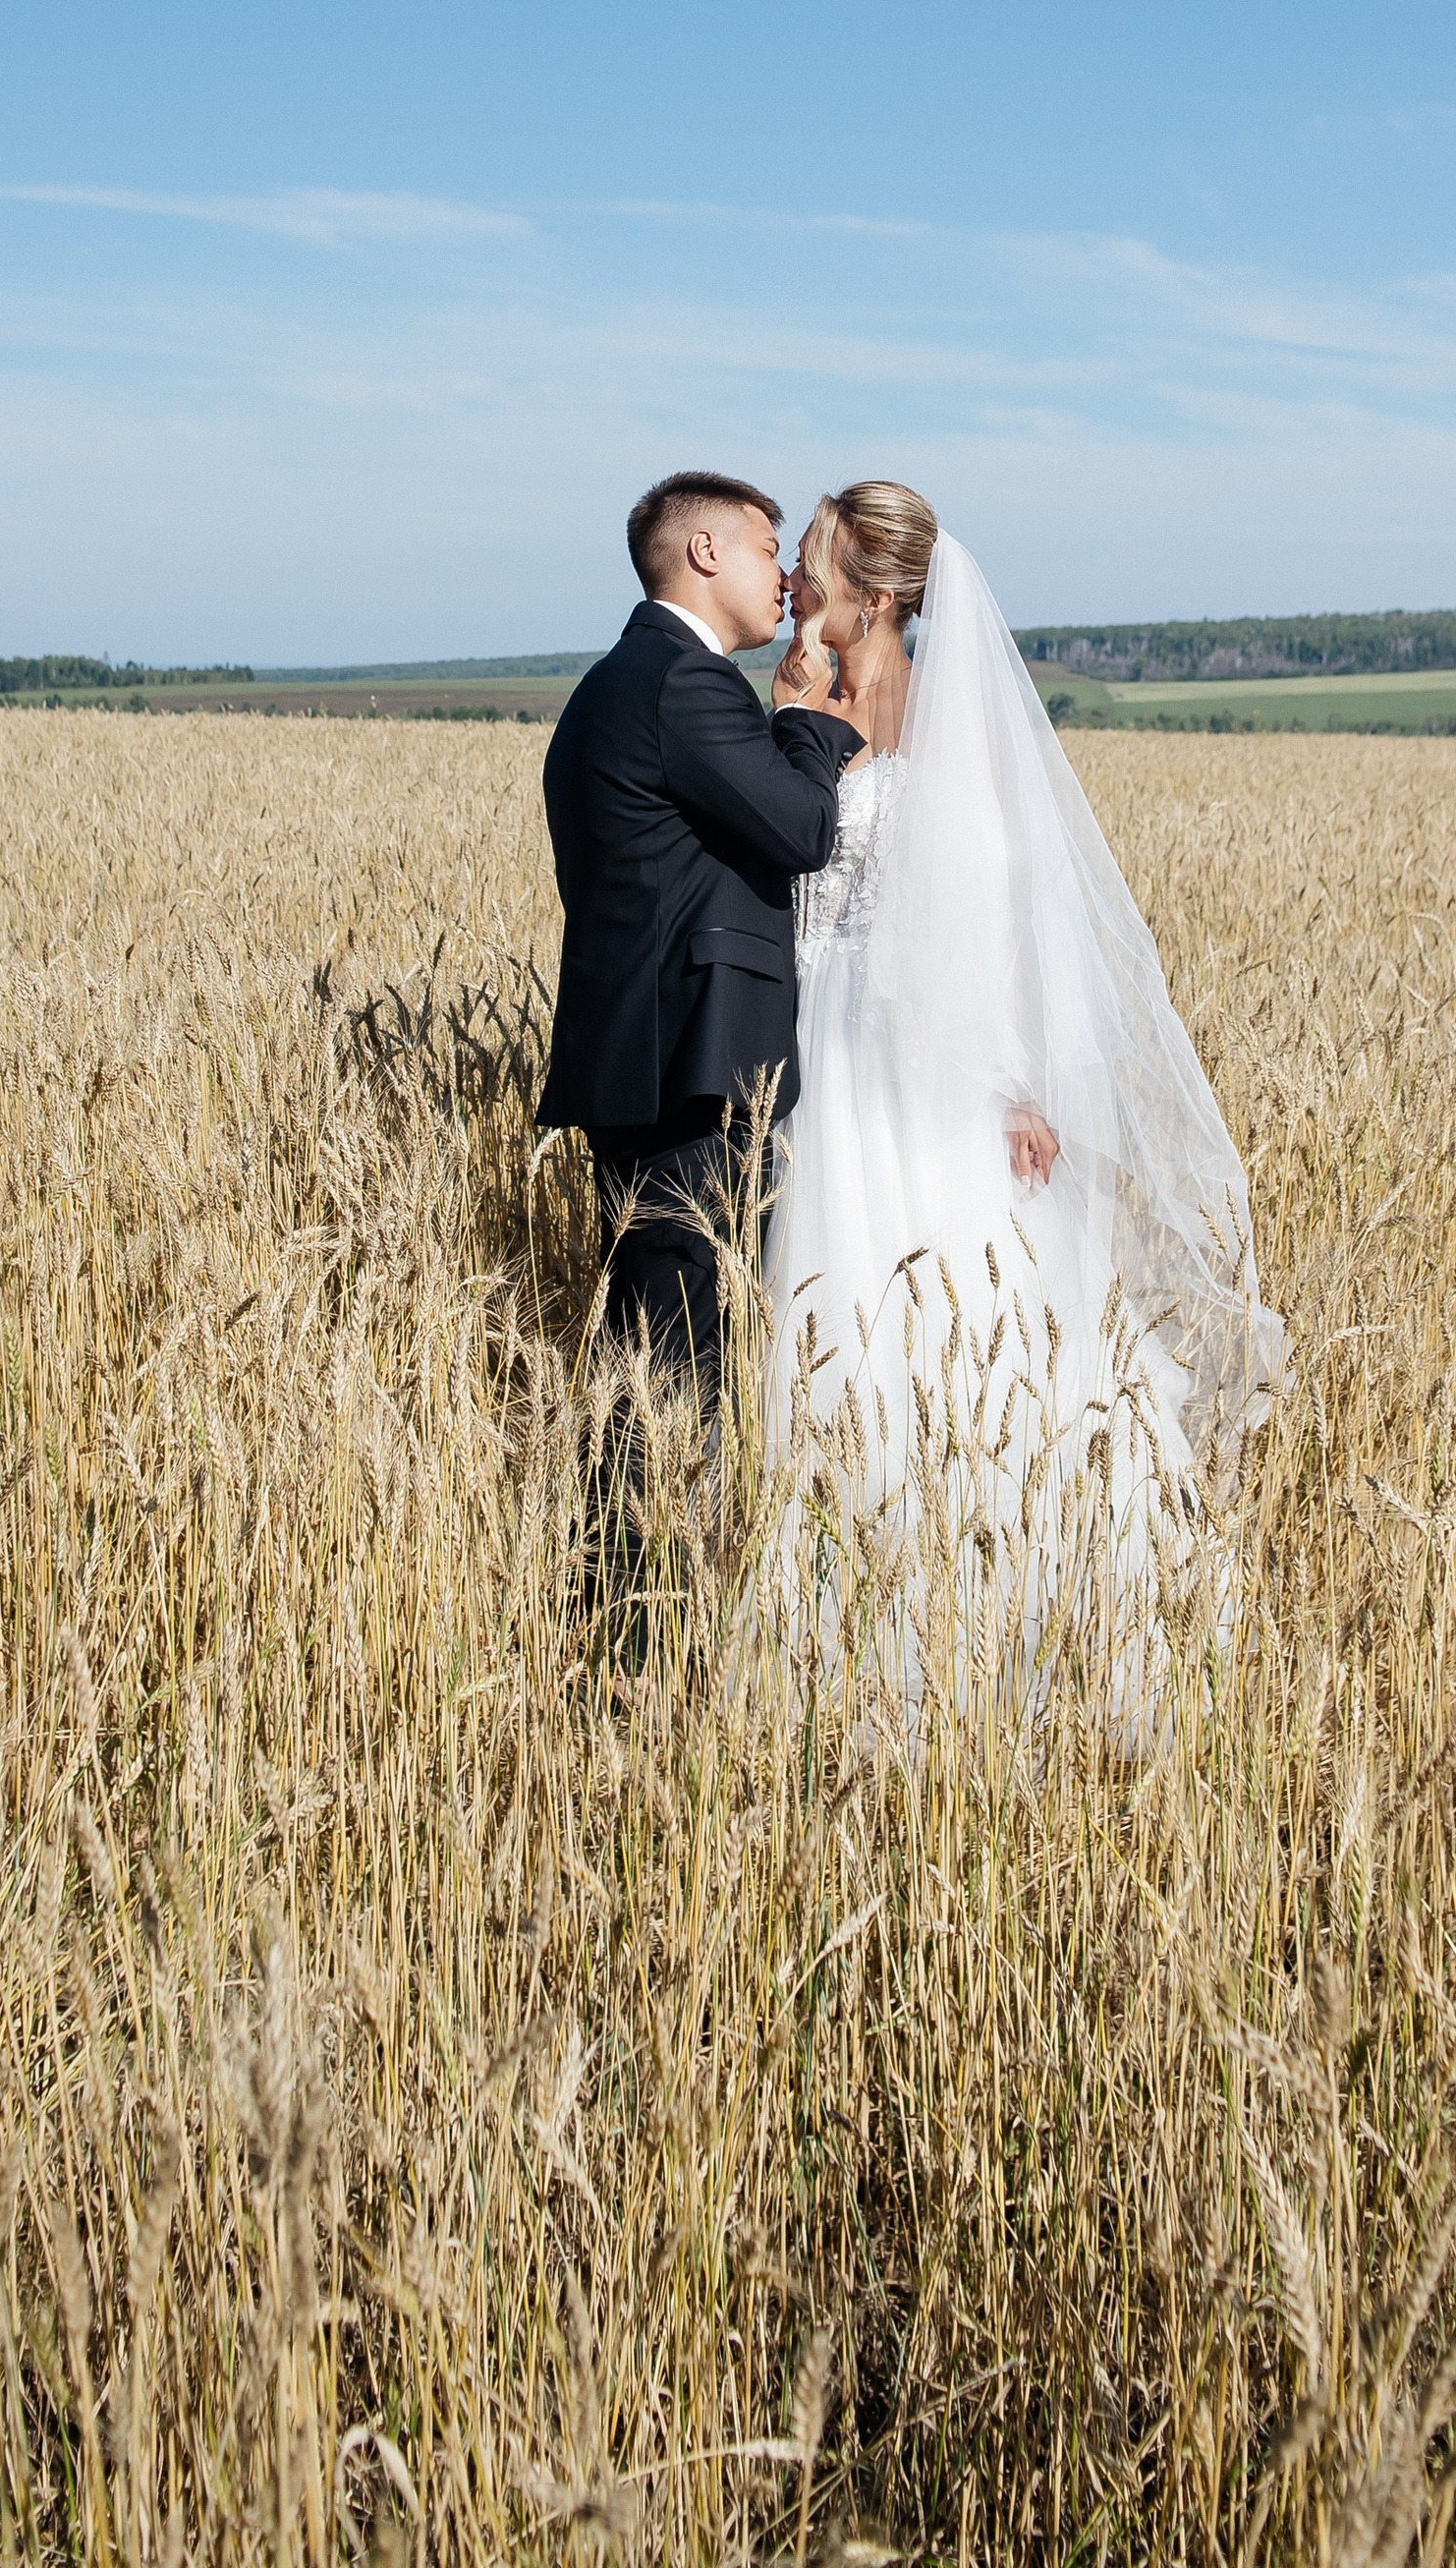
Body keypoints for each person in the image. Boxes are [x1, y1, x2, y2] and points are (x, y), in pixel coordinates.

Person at [762, 481, 1283, 1733]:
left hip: (919, 1060)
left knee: (962, 1321)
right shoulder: (789, 704)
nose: (792, 579)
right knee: (837, 1321)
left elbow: (999, 914)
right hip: (819, 1052)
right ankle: (835, 1629)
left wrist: (1014, 1083)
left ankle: (1021, 1620)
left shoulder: (954, 723)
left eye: (815, 561)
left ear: (874, 596)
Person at [538, 471, 867, 1480]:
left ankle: (630, 1558)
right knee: (680, 1359)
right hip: (691, 1072)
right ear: (706, 552)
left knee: (654, 1345)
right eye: (769, 551)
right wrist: (803, 718)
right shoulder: (683, 681)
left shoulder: (617, 682)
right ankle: (638, 1569)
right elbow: (802, 828)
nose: (784, 578)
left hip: (646, 1062)